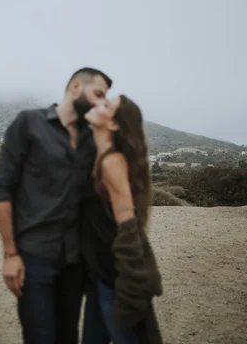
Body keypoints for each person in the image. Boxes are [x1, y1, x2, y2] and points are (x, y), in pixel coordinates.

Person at [0, 68, 113, 343]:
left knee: (68, 336)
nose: (100, 103)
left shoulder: (91, 140)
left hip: (76, 262)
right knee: (40, 337)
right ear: (75, 86)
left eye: (105, 99)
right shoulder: (28, 123)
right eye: (98, 94)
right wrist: (10, 254)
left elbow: (105, 193)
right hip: (34, 259)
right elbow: (2, 190)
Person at [80, 95, 163, 344]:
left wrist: (130, 284)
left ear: (115, 125)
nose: (97, 104)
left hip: (113, 275)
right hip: (98, 270)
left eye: (105, 105)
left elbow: (127, 224)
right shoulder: (98, 154)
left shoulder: (111, 162)